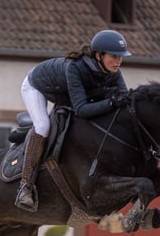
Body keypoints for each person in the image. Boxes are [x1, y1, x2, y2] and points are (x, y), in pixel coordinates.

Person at [15, 29, 132, 212]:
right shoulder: (75, 68)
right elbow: (82, 109)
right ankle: (25, 185)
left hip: (64, 93)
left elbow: (123, 100)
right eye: (114, 56)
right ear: (98, 55)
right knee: (43, 126)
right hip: (36, 86)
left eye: (121, 57)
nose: (118, 61)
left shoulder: (113, 71)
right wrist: (110, 102)